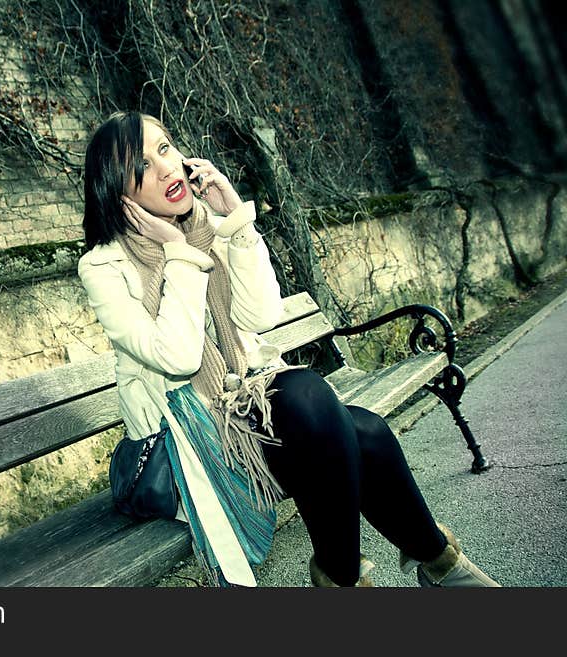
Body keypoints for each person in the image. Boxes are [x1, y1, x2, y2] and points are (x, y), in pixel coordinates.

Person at [78, 110, 500, 588]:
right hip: (190, 443)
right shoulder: (103, 266)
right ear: (120, 191)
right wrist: (177, 251)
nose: (166, 168)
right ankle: (429, 572)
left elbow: (261, 318)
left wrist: (235, 222)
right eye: (143, 165)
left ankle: (403, 572)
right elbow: (179, 358)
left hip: (244, 412)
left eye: (165, 148)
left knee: (367, 432)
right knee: (310, 399)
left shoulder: (204, 227)